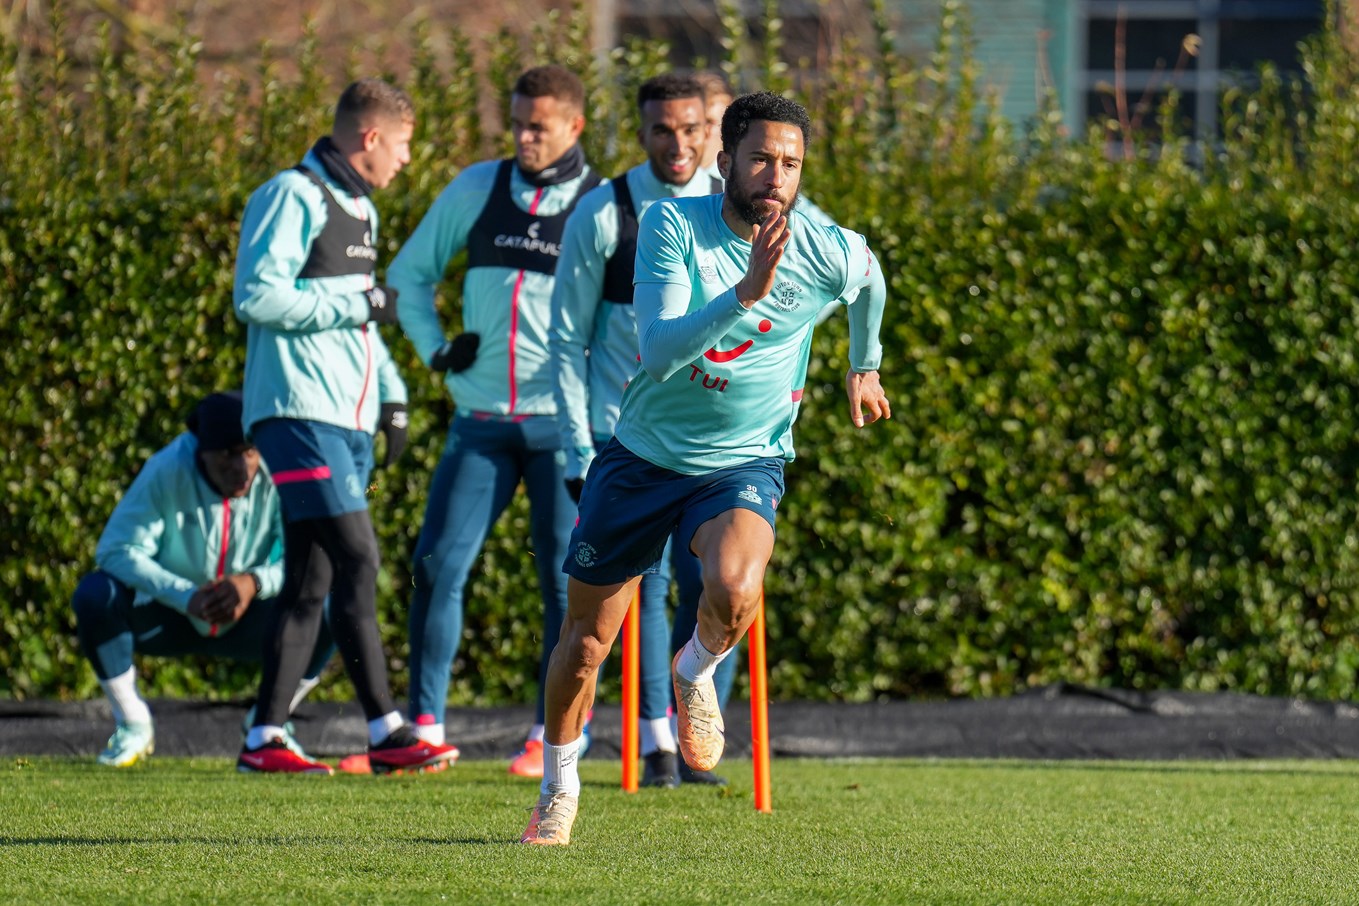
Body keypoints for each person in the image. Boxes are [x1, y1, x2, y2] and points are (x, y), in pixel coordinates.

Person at [521, 91, 891, 845]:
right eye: (759, 159)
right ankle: (558, 792)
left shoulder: (825, 245)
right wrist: (745, 292)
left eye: (789, 164)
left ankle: (693, 673)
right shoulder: (669, 225)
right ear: (725, 163)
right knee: (586, 643)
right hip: (642, 460)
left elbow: (870, 279)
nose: (774, 176)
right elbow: (658, 353)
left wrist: (865, 364)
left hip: (741, 464)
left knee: (733, 586)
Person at [232, 78, 458, 775]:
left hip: (345, 420)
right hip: (298, 414)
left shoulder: (358, 208)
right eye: (404, 144)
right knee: (359, 558)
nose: (407, 160)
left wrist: (390, 397)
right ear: (369, 138)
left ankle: (263, 738)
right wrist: (355, 298)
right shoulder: (290, 194)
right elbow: (257, 296)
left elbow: (358, 324)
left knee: (310, 580)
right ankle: (387, 729)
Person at [387, 64, 603, 779]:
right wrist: (436, 351)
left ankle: (551, 734)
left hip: (558, 430)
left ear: (574, 126)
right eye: (514, 122)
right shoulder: (477, 186)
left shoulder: (602, 204)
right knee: (435, 567)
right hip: (478, 421)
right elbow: (407, 276)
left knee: (560, 585)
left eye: (536, 125)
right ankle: (424, 728)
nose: (521, 136)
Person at [549, 72, 726, 789]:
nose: (677, 144)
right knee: (634, 596)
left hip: (712, 439)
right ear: (641, 129)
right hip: (618, 435)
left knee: (717, 583)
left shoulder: (733, 206)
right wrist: (572, 442)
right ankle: (655, 745)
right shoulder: (604, 211)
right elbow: (564, 340)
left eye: (692, 129)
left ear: (712, 128)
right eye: (662, 129)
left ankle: (688, 730)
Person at [72, 391, 333, 767]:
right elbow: (114, 550)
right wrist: (185, 596)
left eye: (249, 452)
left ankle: (268, 722)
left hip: (253, 619)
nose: (242, 469)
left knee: (329, 605)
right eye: (228, 455)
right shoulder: (167, 468)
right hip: (169, 617)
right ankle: (133, 725)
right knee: (95, 595)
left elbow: (308, 558)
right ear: (200, 451)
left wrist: (252, 583)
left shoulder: (279, 468)